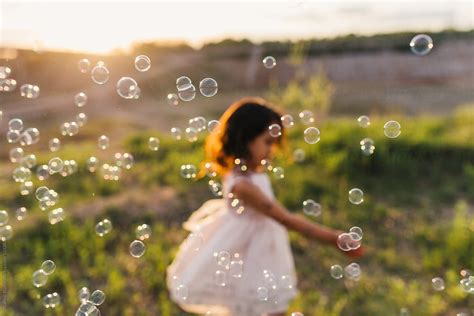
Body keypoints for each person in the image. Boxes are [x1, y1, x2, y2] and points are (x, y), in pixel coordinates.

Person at [166, 97, 364, 316]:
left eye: (275, 144)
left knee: (261, 305)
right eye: (268, 142)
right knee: (261, 304)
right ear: (244, 139)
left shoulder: (246, 174)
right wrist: (334, 238)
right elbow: (286, 220)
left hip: (260, 246)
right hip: (249, 251)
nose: (272, 151)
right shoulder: (243, 186)